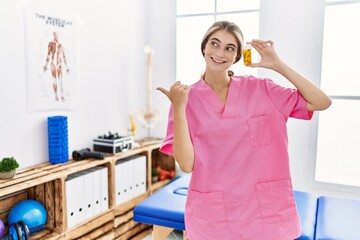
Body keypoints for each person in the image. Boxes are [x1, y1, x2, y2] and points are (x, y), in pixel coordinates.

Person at [157, 20, 331, 240]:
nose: (220, 52)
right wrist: (179, 108)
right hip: (214, 217)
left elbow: (321, 102)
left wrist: (278, 65)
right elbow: (187, 164)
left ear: (237, 56)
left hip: (265, 215)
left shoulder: (262, 89)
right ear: (204, 48)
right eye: (215, 43)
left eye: (230, 48)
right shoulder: (184, 98)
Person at [43, 32, 70, 102]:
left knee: (60, 81)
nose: (56, 37)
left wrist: (67, 67)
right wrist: (46, 65)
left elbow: (64, 56)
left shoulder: (60, 45)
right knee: (54, 80)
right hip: (53, 64)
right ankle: (56, 96)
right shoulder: (51, 43)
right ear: (53, 36)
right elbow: (48, 54)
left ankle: (62, 95)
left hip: (59, 64)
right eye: (55, 35)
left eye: (57, 35)